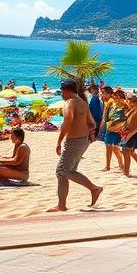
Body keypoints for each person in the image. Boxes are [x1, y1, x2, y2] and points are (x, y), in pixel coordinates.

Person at [47, 79, 102, 212]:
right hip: (83, 141)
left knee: (62, 171)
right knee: (66, 173)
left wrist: (59, 141)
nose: (61, 94)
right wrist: (85, 135)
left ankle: (94, 188)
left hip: (73, 142)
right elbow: (92, 124)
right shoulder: (83, 103)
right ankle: (61, 206)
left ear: (66, 90)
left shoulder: (69, 103)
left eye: (61, 91)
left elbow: (67, 122)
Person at [100, 86, 125, 171]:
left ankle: (108, 167)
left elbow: (105, 116)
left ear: (108, 94)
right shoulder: (118, 101)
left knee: (108, 146)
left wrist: (101, 126)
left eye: (103, 93)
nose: (101, 95)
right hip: (119, 126)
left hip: (111, 126)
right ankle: (121, 164)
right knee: (115, 147)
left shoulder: (110, 101)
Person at [120, 94, 137, 177]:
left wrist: (129, 134)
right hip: (126, 133)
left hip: (133, 134)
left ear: (135, 103)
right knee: (128, 152)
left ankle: (126, 172)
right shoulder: (128, 111)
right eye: (128, 101)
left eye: (130, 102)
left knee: (127, 151)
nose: (128, 103)